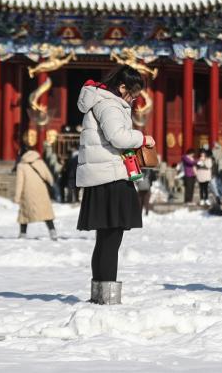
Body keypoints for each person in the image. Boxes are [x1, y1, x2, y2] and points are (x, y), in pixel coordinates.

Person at [76, 67, 154, 305]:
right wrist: (143, 138)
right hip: (111, 176)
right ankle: (107, 297)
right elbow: (118, 137)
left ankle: (99, 292)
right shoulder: (109, 104)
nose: (135, 99)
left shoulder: (99, 101)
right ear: (122, 88)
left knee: (105, 239)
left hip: (102, 176)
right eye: (134, 94)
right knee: (111, 239)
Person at [14, 149, 58, 240]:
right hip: (42, 191)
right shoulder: (40, 162)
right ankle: (52, 232)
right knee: (46, 213)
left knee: (24, 213)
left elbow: (20, 183)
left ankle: (22, 233)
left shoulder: (21, 166)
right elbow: (49, 178)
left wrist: (17, 197)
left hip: (27, 192)